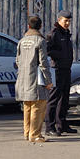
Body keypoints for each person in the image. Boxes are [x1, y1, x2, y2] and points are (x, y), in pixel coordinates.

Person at [14, 15, 54, 143]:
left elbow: (17, 61)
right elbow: (43, 63)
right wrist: (48, 81)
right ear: (40, 26)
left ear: (28, 26)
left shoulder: (21, 41)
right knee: (38, 106)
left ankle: (27, 133)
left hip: (23, 79)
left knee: (27, 106)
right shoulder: (40, 41)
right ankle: (35, 134)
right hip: (37, 79)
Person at [44, 10, 76, 137]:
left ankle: (62, 124)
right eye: (65, 20)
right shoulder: (54, 34)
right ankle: (49, 127)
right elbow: (47, 49)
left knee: (64, 99)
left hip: (66, 69)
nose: (67, 23)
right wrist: (58, 55)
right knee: (53, 99)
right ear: (59, 20)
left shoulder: (66, 33)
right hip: (57, 69)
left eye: (69, 21)